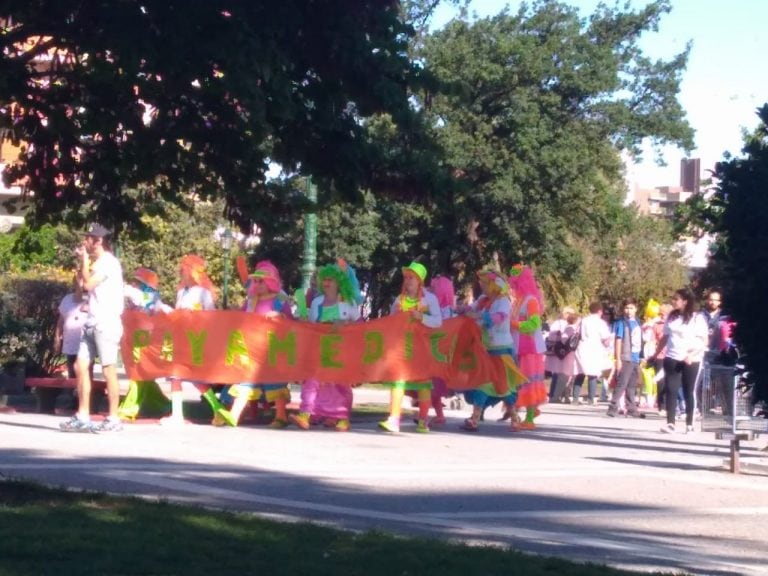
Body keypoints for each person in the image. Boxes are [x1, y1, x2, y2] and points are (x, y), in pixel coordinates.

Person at [60, 223, 125, 433]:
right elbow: (81, 288)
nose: (84, 241)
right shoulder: (98, 262)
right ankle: (83, 415)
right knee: (80, 367)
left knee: (108, 370)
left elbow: (88, 285)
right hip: (92, 321)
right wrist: (83, 263)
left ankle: (114, 418)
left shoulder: (108, 263)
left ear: (98, 241)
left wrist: (85, 261)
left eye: (88, 238)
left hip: (106, 322)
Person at [162, 255, 234, 426]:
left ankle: (217, 407)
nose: (182, 271)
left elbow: (211, 314)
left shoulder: (203, 292)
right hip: (181, 337)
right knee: (176, 375)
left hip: (197, 338)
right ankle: (179, 414)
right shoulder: (181, 291)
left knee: (195, 378)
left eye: (186, 268)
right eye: (183, 268)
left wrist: (195, 316)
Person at [290, 259, 362, 432]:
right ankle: (306, 414)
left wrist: (344, 324)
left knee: (340, 383)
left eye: (331, 279)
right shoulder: (317, 302)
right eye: (325, 279)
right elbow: (313, 325)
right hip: (320, 348)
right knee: (312, 380)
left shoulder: (349, 303)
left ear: (339, 282)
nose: (327, 283)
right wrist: (304, 321)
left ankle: (342, 417)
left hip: (340, 350)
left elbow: (360, 326)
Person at [222, 260, 293, 428]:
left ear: (270, 282)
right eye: (256, 281)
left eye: (261, 281)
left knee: (274, 381)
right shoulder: (251, 300)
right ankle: (234, 415)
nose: (258, 284)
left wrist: (279, 315)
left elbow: (291, 322)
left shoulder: (280, 300)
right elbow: (242, 317)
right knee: (245, 379)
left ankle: (281, 416)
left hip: (273, 348)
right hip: (251, 346)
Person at [378, 261, 442, 434]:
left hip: (422, 349)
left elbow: (438, 322)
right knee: (397, 380)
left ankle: (423, 421)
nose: (408, 281)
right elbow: (390, 321)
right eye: (406, 277)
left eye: (411, 277)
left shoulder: (429, 299)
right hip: (402, 347)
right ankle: (394, 419)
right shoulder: (400, 299)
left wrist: (421, 317)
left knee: (423, 385)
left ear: (420, 280)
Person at [459, 269, 523, 432]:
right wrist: (459, 310)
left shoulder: (503, 302)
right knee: (482, 383)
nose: (482, 286)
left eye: (486, 283)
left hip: (502, 351)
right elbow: (469, 309)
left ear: (495, 285)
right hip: (486, 350)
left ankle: (514, 419)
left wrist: (480, 318)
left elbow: (499, 318)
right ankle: (475, 419)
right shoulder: (483, 300)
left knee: (504, 386)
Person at [649, 288, 708, 434]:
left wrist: (692, 354)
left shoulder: (697, 318)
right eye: (673, 299)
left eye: (676, 299)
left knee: (689, 390)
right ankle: (670, 423)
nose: (673, 302)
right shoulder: (671, 317)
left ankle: (690, 424)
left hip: (691, 359)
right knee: (671, 389)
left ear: (685, 301)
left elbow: (704, 341)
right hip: (672, 357)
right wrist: (655, 354)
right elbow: (665, 337)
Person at [508, 264, 547, 430]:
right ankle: (530, 412)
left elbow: (534, 323)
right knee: (522, 382)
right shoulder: (518, 301)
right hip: (519, 346)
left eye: (515, 283)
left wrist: (514, 324)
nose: (512, 286)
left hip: (530, 348)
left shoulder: (531, 301)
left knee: (529, 381)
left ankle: (530, 418)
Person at [54, 274, 90, 410]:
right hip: (70, 342)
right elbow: (61, 320)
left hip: (85, 343)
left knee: (85, 372)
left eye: (83, 281)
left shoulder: (91, 299)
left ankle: (85, 403)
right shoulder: (67, 299)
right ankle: (72, 401)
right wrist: (57, 336)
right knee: (72, 373)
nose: (80, 284)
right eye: (78, 281)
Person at [607, 298, 644, 418]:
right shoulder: (621, 323)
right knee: (622, 383)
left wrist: (641, 357)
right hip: (626, 357)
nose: (628, 311)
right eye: (626, 308)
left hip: (635, 357)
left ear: (636, 309)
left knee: (632, 385)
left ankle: (631, 408)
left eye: (631, 308)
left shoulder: (637, 322)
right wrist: (617, 358)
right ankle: (613, 407)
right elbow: (619, 340)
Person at [572, 302, 612, 404]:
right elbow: (605, 338)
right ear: (599, 311)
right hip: (594, 348)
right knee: (592, 374)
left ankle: (575, 398)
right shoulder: (601, 323)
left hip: (582, 347)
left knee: (580, 373)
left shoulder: (583, 320)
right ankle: (590, 399)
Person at [545, 306, 578, 403]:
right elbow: (562, 338)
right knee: (561, 374)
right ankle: (555, 395)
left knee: (558, 374)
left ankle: (556, 395)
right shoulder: (562, 324)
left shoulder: (558, 323)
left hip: (558, 351)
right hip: (561, 352)